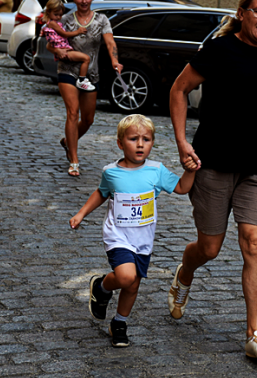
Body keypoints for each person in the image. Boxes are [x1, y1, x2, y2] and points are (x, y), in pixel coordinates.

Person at [167, 0, 257, 362]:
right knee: (209, 247)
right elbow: (179, 90)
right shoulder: (219, 50)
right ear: (242, 13)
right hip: (214, 162)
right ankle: (184, 273)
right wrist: (182, 142)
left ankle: (254, 334)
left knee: (255, 244)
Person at [70, 114, 199, 347]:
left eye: (146, 139)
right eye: (133, 139)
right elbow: (101, 193)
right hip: (117, 235)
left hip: (142, 239)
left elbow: (181, 187)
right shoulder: (111, 172)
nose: (140, 144)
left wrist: (190, 170)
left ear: (152, 143)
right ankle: (102, 286)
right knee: (126, 276)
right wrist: (81, 214)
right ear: (120, 143)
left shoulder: (156, 171)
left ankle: (119, 323)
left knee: (132, 284)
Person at [57, 0, 122, 177]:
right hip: (68, 69)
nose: (83, 1)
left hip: (91, 73)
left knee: (87, 119)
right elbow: (51, 40)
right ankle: (74, 159)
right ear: (74, 0)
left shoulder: (101, 20)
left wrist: (115, 60)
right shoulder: (66, 20)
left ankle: (68, 140)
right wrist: (57, 50)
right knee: (72, 112)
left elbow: (110, 42)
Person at [40, 0, 95, 91]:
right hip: (64, 50)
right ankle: (82, 80)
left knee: (84, 59)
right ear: (48, 12)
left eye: (60, 15)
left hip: (64, 49)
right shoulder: (53, 23)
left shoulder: (54, 23)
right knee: (86, 58)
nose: (58, 17)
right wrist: (78, 32)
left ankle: (81, 79)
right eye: (56, 14)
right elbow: (64, 34)